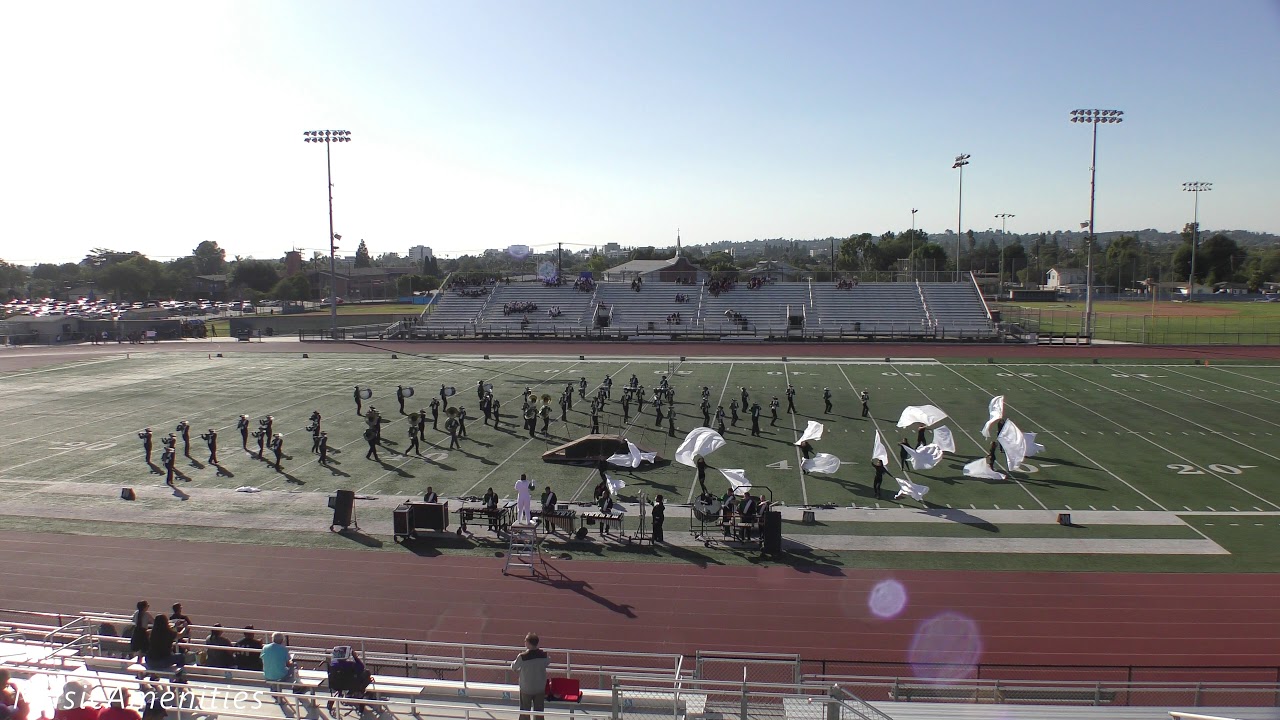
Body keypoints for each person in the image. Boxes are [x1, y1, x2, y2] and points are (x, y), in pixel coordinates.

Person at [511, 633, 550, 720]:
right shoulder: (544, 655)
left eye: (525, 640)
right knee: (539, 713)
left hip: (526, 689)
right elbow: (547, 662)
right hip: (540, 688)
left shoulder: (522, 657)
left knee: (524, 712)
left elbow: (514, 667)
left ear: (528, 643)